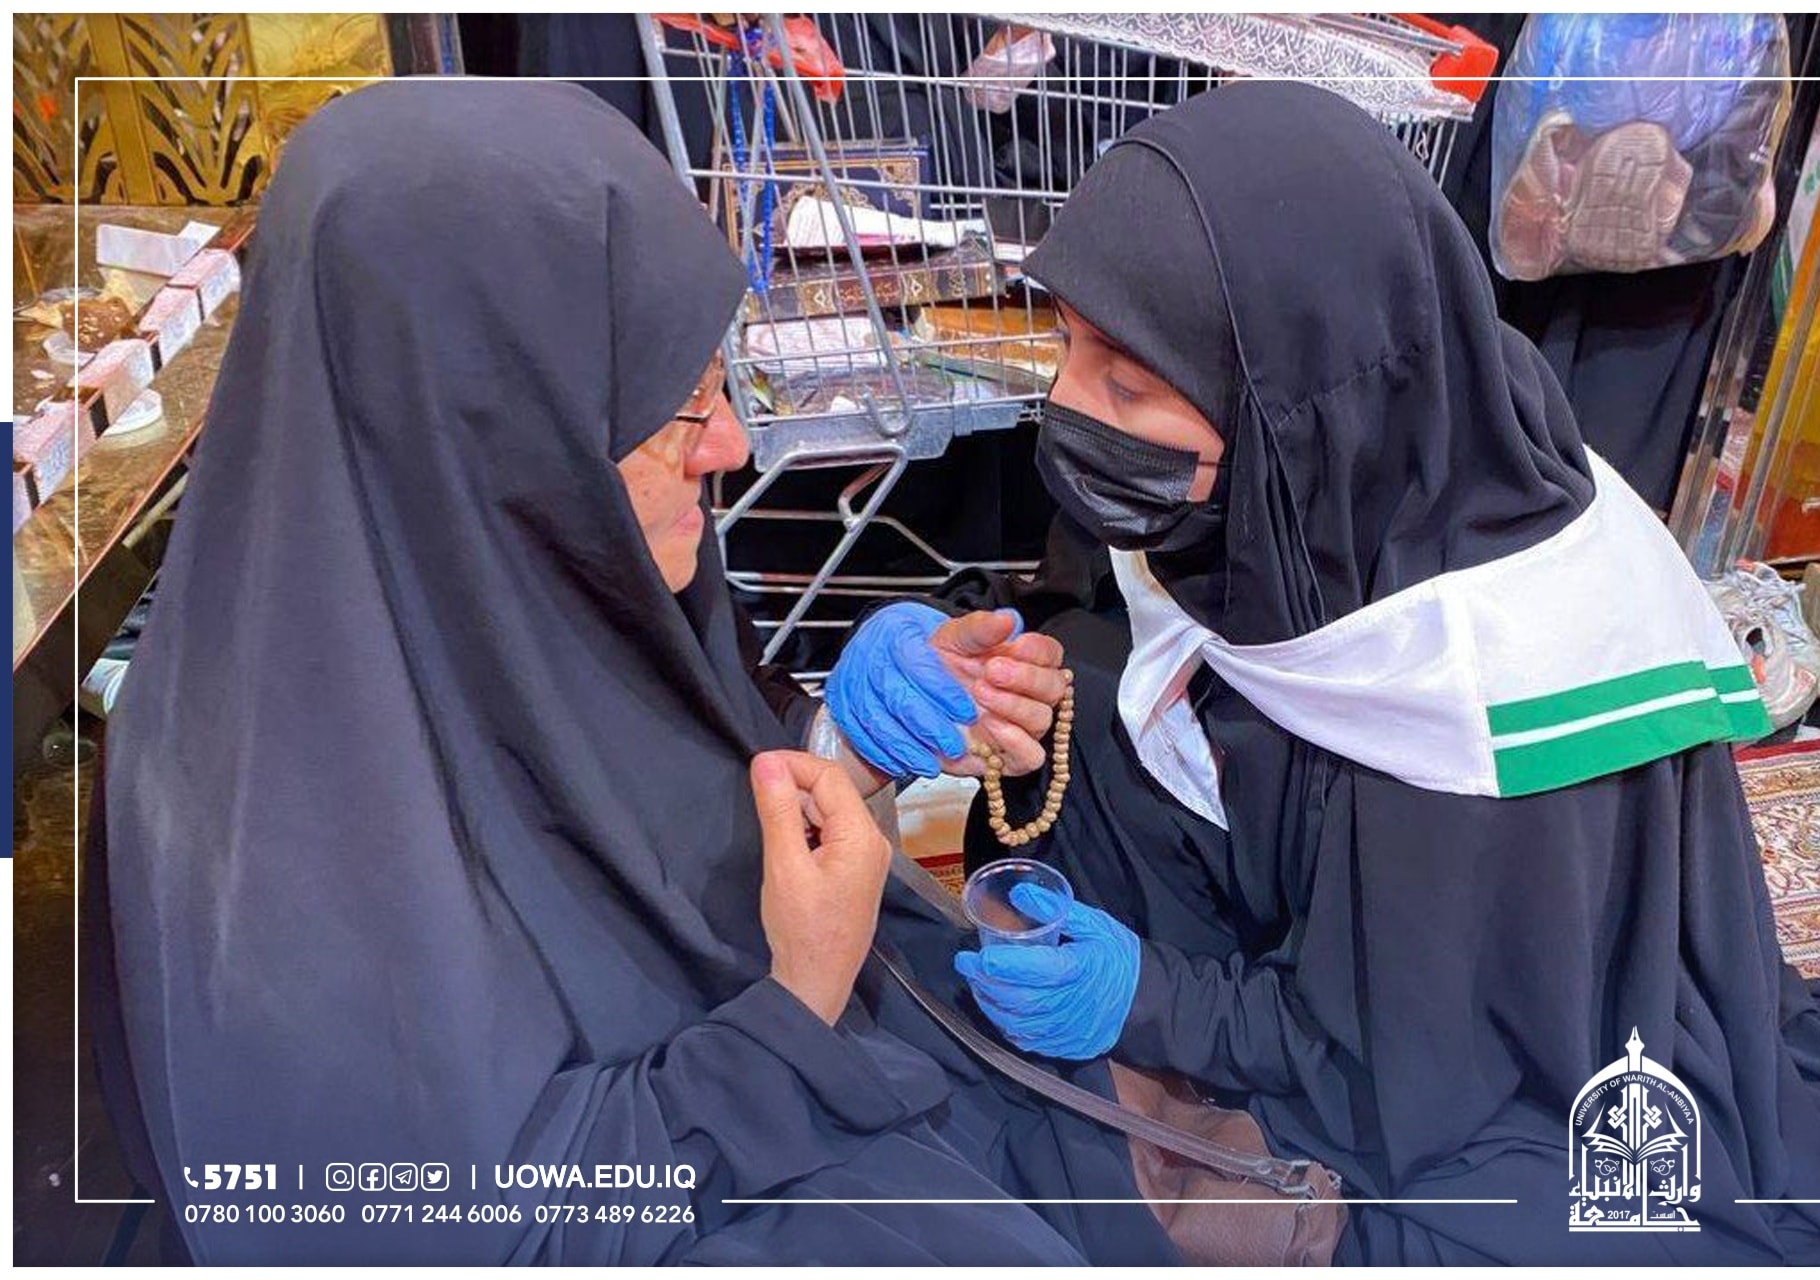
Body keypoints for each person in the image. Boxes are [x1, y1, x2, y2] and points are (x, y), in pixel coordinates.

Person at [92, 79, 1178, 1266]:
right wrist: (792, 1008)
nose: (732, 444)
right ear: (494, 426)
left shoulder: (496, 570)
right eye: (675, 408)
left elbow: (645, 796)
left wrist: (840, 746)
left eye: (713, 381)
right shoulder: (264, 839)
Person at [831, 81, 1820, 1265]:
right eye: (1066, 344)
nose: (1068, 404)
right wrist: (974, 662)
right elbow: (1112, 622)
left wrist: (1150, 999)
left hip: (1458, 1011)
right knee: (1093, 701)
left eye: (1126, 382)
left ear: (1290, 404)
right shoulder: (1319, 461)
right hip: (1321, 882)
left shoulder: (1490, 673)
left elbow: (1412, 1059)